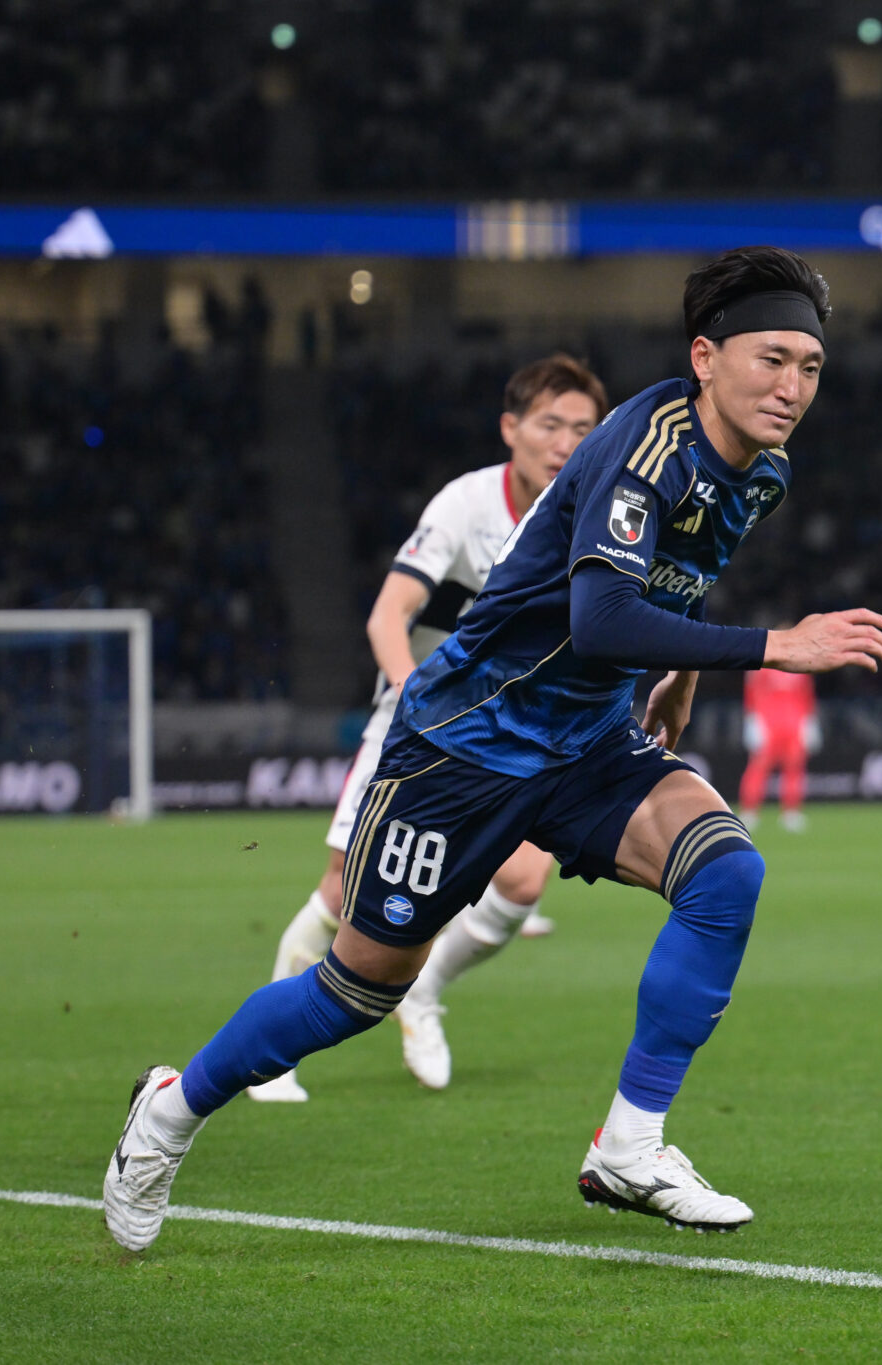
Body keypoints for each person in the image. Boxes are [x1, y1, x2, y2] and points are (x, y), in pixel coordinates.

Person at [105, 246, 882, 1250]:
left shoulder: (762, 472)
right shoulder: (643, 447)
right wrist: (776, 646)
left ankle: (631, 1144)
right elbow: (601, 620)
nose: (792, 386)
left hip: (588, 741)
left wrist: (684, 674)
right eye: (771, 359)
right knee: (358, 989)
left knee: (726, 871)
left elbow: (680, 573)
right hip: (464, 744)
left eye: (810, 366)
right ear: (705, 357)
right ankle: (169, 1111)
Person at [248, 353, 608, 1102]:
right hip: (418, 718)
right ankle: (267, 1057)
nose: (566, 443)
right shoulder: (467, 503)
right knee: (346, 892)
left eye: (583, 428)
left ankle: (424, 990)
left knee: (524, 878)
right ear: (510, 428)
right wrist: (419, 704)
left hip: (509, 726)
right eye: (550, 425)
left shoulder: (596, 513)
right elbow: (388, 615)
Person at [738, 656, 818, 831]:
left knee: (794, 768)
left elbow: (807, 696)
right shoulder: (761, 666)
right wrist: (752, 721)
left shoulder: (800, 666)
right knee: (758, 768)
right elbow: (750, 693)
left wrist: (809, 723)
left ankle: (791, 812)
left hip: (794, 724)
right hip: (768, 724)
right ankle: (749, 811)